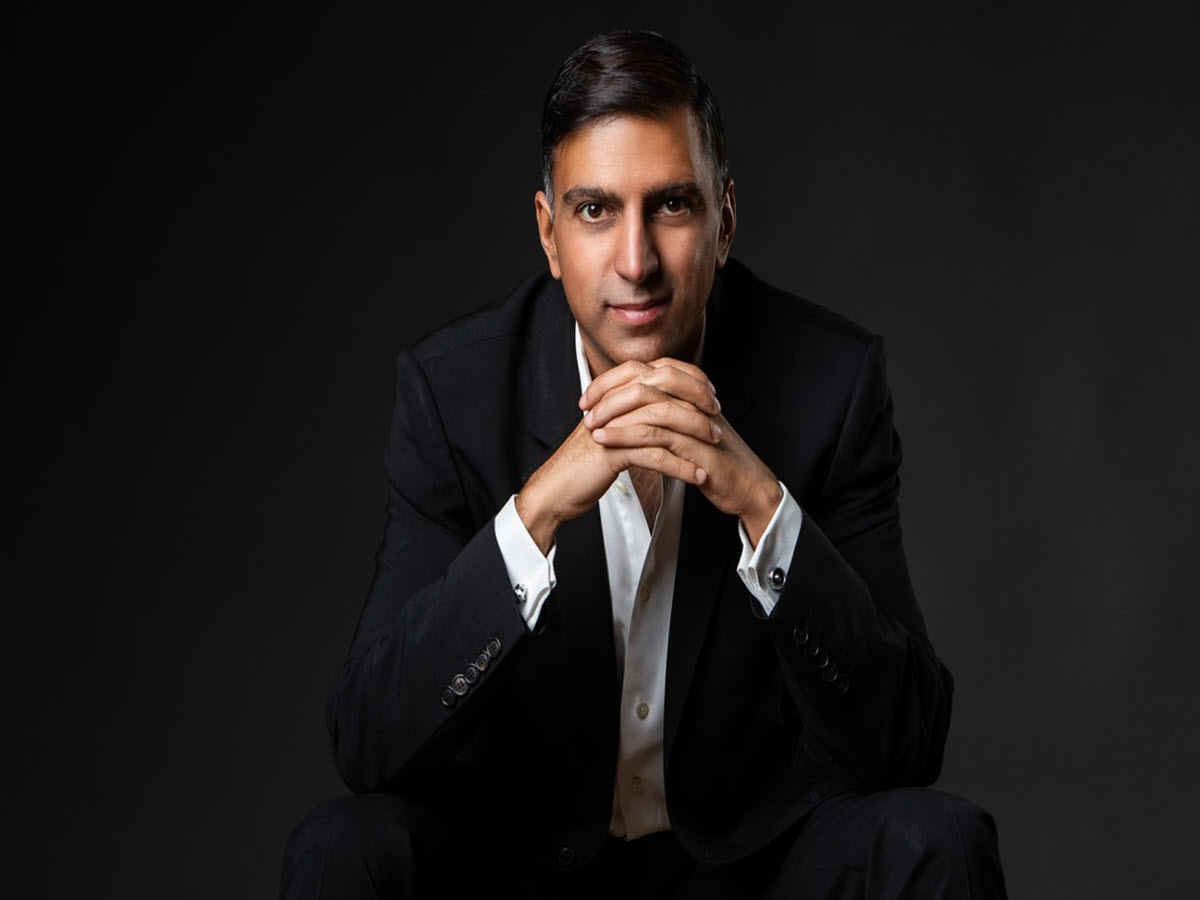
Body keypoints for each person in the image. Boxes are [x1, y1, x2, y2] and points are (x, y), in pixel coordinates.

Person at [280, 30, 1007, 899]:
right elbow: (369, 744)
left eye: (670, 206)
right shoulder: (455, 395)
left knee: (938, 843)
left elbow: (906, 743)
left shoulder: (829, 385)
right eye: (595, 210)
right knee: (344, 848)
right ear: (549, 234)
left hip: (752, 867)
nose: (636, 262)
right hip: (525, 865)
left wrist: (763, 506)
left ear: (724, 222)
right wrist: (537, 513)